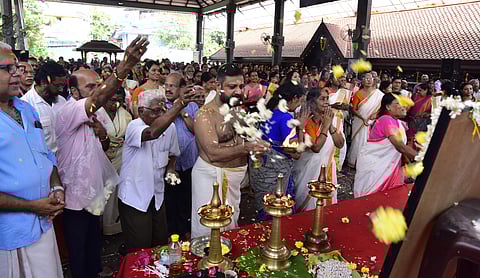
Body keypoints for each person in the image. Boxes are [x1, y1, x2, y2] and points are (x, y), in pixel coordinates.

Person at [55, 36, 149, 278]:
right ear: (74, 91)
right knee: (79, 250)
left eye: (99, 84)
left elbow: (104, 147)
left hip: (93, 190)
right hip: (75, 197)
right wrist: (125, 66)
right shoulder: (69, 110)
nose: (97, 91)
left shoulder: (92, 116)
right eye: (91, 87)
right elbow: (99, 99)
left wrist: (101, 134)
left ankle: (96, 271)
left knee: (93, 243)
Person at [0, 42, 64, 278]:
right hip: (9, 235)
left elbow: (45, 154)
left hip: (42, 223)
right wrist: (31, 206)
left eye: (18, 67)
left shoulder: (26, 109)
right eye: (8, 68)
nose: (18, 73)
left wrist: (56, 186)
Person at [191, 64, 269, 238]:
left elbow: (245, 137)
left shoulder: (238, 110)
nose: (238, 91)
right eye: (231, 87)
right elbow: (212, 152)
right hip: (212, 178)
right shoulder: (205, 114)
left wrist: (257, 144)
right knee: (210, 229)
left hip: (234, 178)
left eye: (241, 86)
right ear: (218, 86)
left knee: (230, 225)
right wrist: (246, 148)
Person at [118, 89, 195, 250]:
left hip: (158, 195)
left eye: (163, 110)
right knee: (140, 248)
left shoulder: (170, 128)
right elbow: (152, 133)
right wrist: (180, 104)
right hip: (135, 197)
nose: (161, 115)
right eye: (155, 111)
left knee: (160, 245)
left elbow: (174, 153)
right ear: (141, 111)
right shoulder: (134, 126)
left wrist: (171, 169)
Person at [250, 82, 307, 220]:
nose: (298, 106)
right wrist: (301, 127)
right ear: (293, 98)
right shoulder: (286, 118)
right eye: (299, 102)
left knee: (265, 206)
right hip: (276, 174)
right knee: (277, 208)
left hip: (261, 170)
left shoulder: (266, 113)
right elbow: (297, 153)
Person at [354, 94, 417, 197]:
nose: (404, 106)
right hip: (376, 167)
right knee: (371, 198)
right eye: (398, 103)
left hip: (389, 167)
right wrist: (422, 158)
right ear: (388, 107)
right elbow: (400, 146)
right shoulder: (386, 120)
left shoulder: (398, 122)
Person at [293, 88, 344, 211]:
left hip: (326, 169)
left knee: (325, 206)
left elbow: (340, 144)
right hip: (306, 169)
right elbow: (316, 147)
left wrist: (330, 125)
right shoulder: (305, 119)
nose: (326, 102)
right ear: (311, 101)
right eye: (322, 99)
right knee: (306, 204)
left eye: (327, 99)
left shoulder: (333, 118)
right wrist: (325, 126)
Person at [164, 72, 201, 239]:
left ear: (181, 89)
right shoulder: (160, 105)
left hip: (188, 162)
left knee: (186, 197)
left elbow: (196, 130)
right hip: (168, 162)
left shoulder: (192, 106)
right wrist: (172, 110)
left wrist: (182, 112)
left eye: (172, 86)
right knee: (170, 198)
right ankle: (172, 232)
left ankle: (185, 229)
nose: (168, 88)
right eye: (166, 85)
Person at [100, 88, 133, 235]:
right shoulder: (97, 114)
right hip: (101, 157)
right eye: (112, 100)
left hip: (120, 156)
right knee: (101, 192)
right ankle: (100, 226)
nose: (116, 104)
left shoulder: (125, 115)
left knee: (115, 192)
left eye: (119, 100)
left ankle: (113, 226)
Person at [21, 61, 67, 154]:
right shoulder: (26, 105)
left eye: (62, 85)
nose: (61, 89)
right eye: (57, 86)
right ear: (43, 82)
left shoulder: (62, 101)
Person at [347, 72, 384, 168]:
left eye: (370, 78)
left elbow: (382, 109)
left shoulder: (379, 94)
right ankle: (354, 162)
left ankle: (365, 163)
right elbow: (354, 109)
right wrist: (362, 118)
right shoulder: (358, 94)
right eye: (366, 78)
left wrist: (375, 116)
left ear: (373, 80)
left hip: (372, 122)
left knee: (369, 142)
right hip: (359, 122)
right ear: (362, 81)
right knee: (358, 141)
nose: (368, 80)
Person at [406, 83, 431, 147]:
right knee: (409, 138)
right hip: (411, 121)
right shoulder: (414, 96)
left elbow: (433, 112)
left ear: (426, 90)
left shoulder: (431, 99)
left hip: (422, 123)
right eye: (417, 90)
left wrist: (428, 114)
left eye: (420, 90)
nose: (418, 92)